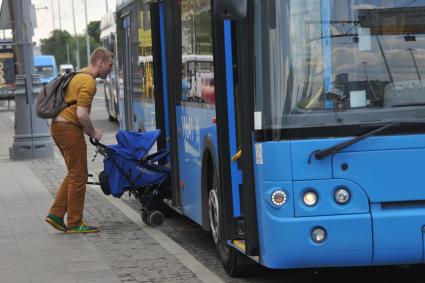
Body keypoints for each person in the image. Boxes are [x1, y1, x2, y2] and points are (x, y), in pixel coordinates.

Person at [45, 47, 114, 233]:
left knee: (74, 173)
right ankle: (75, 223)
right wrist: (93, 132)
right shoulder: (88, 82)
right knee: (79, 175)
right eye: (109, 65)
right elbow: (81, 114)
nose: (110, 69)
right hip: (68, 129)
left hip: (58, 127)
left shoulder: (77, 75)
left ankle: (56, 215)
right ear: (99, 63)